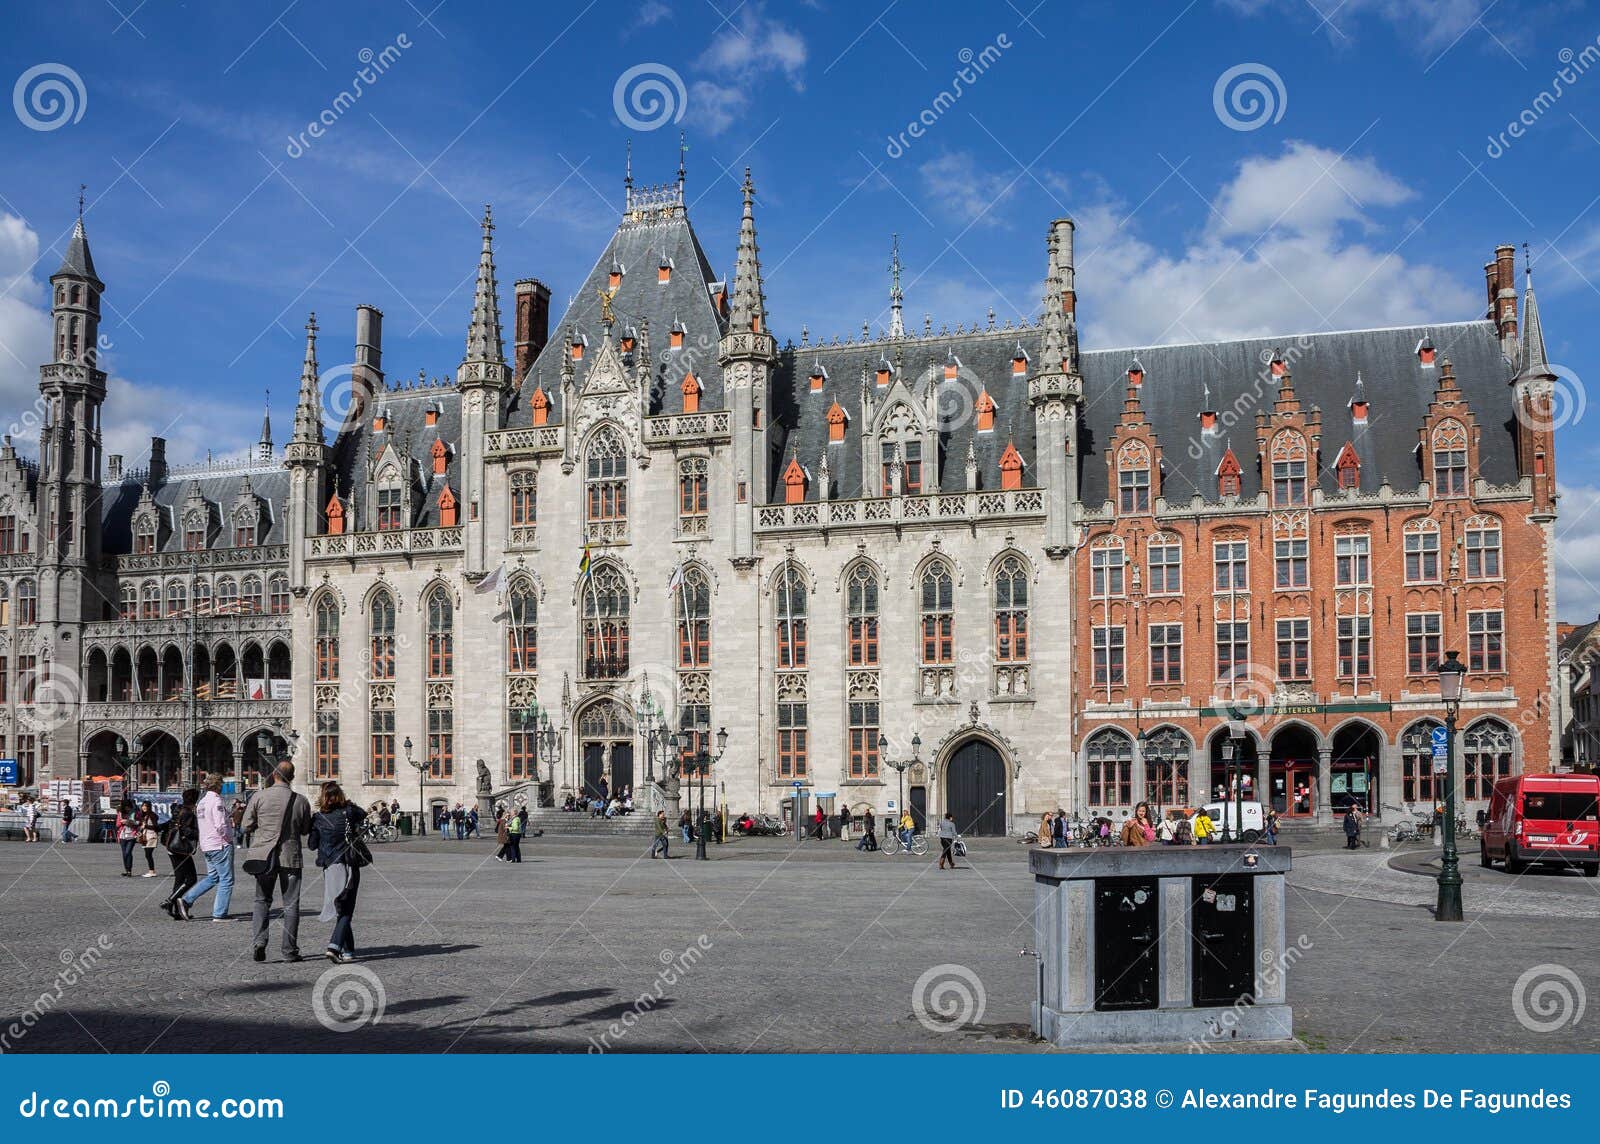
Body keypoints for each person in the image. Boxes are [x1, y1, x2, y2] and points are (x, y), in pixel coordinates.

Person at [240, 761, 313, 962]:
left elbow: (245, 825)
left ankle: (259, 942)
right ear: (293, 776)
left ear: (274, 774)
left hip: (264, 857)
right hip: (290, 857)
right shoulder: (301, 800)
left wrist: (260, 827)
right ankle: (289, 951)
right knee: (291, 905)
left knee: (262, 900)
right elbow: (306, 829)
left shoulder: (259, 796)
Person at [308, 781, 366, 963]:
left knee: (341, 907)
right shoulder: (349, 812)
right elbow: (363, 814)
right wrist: (347, 804)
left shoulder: (318, 818)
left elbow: (311, 845)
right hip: (349, 863)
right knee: (347, 908)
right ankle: (334, 946)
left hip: (330, 866)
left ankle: (348, 951)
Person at [179, 774, 236, 921]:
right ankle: (220, 914)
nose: (222, 787)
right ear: (217, 785)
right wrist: (229, 838)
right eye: (221, 784)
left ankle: (186, 900)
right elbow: (220, 825)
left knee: (213, 877)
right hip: (219, 844)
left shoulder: (202, 802)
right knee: (226, 880)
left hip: (207, 845)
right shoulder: (216, 800)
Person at [159, 789, 201, 917]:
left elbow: (169, 824)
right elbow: (186, 831)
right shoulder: (188, 813)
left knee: (180, 878)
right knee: (191, 879)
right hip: (180, 849)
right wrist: (200, 833)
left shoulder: (178, 810)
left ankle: (176, 911)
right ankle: (170, 901)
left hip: (172, 847)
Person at [114, 798, 139, 876]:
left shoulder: (134, 813)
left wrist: (130, 822)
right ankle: (127, 870)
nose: (127, 808)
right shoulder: (120, 813)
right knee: (124, 853)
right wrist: (122, 822)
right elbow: (117, 825)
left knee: (128, 852)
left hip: (132, 835)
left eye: (128, 806)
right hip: (122, 835)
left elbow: (139, 822)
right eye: (125, 807)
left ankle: (129, 871)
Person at [136, 801, 161, 877]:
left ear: (149, 807)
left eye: (145, 806)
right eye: (143, 806)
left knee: (148, 854)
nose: (144, 807)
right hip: (145, 836)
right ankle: (151, 871)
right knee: (147, 855)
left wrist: (146, 826)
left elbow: (156, 827)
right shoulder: (144, 815)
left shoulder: (152, 815)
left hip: (151, 836)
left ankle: (152, 871)